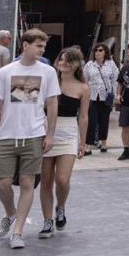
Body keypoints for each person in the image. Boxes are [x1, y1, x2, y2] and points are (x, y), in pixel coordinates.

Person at [0, 28, 59, 250]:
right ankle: (10, 213)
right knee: (3, 183)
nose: (42, 50)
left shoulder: (48, 72)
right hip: (7, 135)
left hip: (34, 135)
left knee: (28, 183)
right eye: (38, 46)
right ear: (25, 46)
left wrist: (50, 134)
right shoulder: (6, 72)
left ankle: (18, 231)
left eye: (44, 47)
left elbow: (52, 103)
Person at [38, 47, 89, 238]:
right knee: (45, 181)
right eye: (61, 59)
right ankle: (47, 221)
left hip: (68, 133)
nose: (64, 63)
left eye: (69, 60)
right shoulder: (48, 82)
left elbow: (83, 117)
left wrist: (83, 142)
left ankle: (60, 206)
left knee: (62, 179)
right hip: (45, 131)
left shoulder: (83, 87)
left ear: (77, 64)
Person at [83, 43, 118, 153]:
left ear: (105, 52)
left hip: (105, 97)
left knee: (104, 120)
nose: (97, 52)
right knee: (91, 121)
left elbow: (115, 81)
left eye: (100, 50)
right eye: (96, 50)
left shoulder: (111, 64)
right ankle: (88, 145)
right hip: (92, 96)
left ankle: (104, 142)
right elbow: (84, 80)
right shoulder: (89, 65)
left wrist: (115, 95)